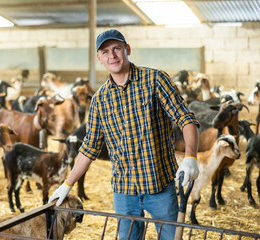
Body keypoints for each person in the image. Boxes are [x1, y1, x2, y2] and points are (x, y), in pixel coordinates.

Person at [48, 29, 200, 240]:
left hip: (160, 186)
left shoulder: (155, 80)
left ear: (127, 49)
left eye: (117, 48)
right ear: (99, 58)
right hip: (124, 190)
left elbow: (186, 119)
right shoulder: (100, 100)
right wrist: (67, 184)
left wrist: (191, 156)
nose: (112, 55)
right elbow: (89, 148)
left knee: (170, 238)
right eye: (105, 51)